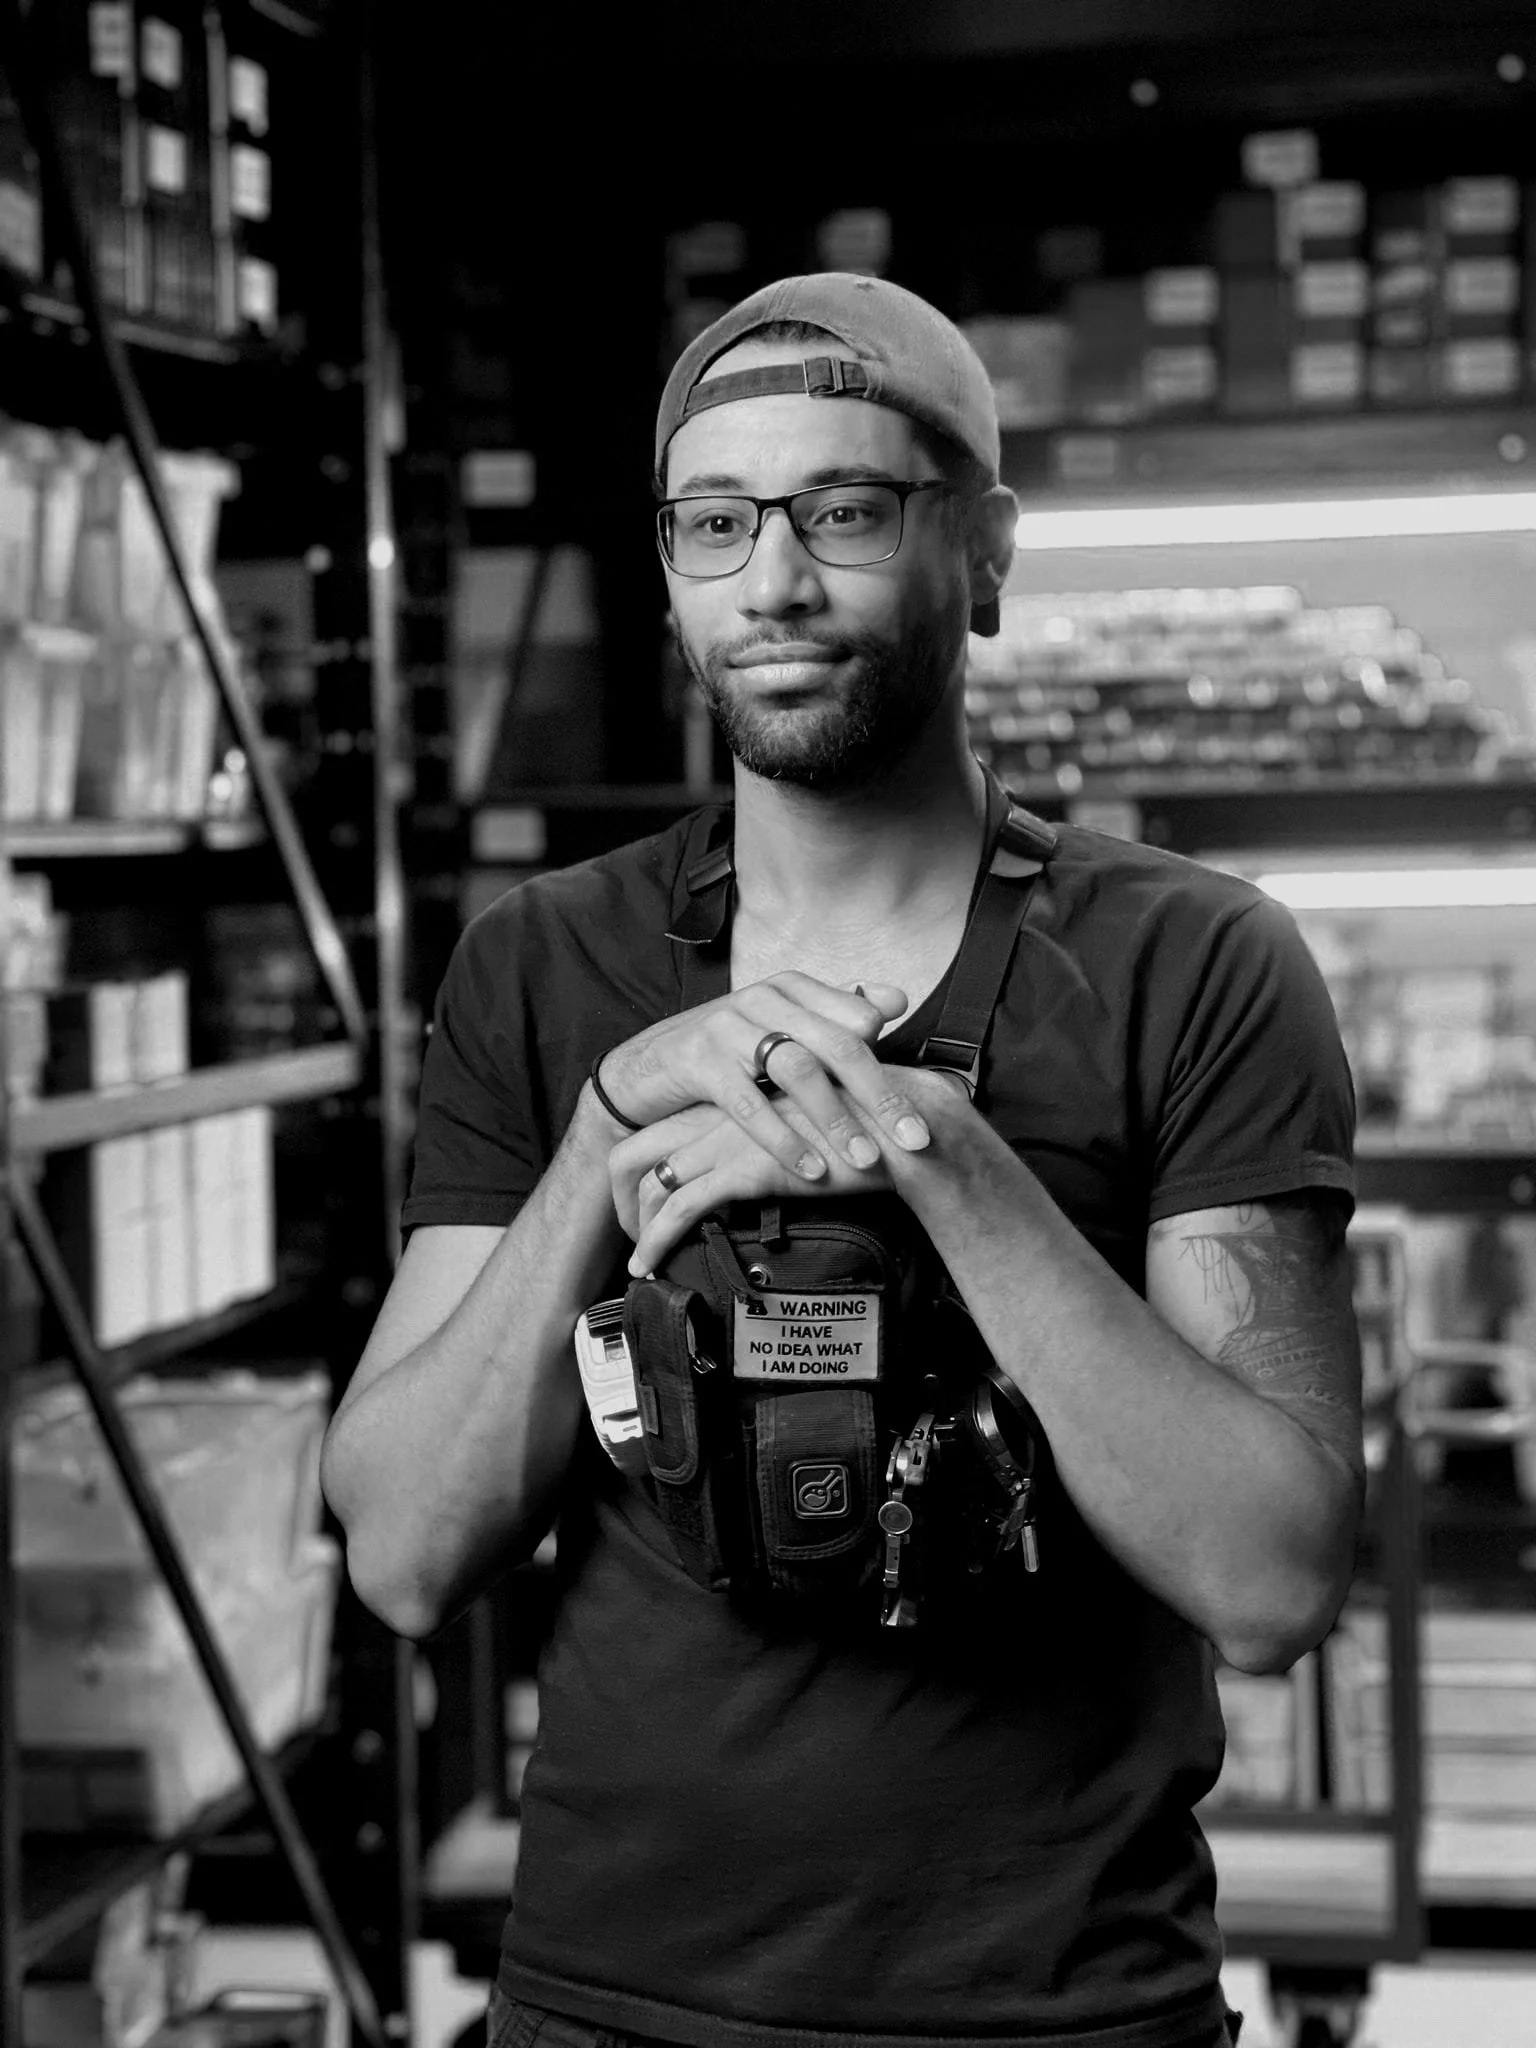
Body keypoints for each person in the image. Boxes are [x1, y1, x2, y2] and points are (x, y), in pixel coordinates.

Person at [321, 274, 1363, 2048]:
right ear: (670, 571)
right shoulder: (546, 965)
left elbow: (1270, 1584)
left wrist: (935, 1157)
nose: (775, 583)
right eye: (716, 525)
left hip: (1055, 2011)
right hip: (606, 2005)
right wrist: (602, 1140)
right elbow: (407, 1556)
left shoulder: (1192, 961)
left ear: (987, 550)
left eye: (846, 513)